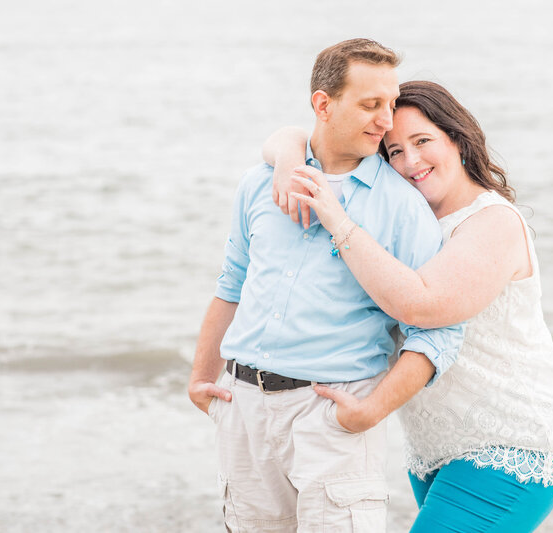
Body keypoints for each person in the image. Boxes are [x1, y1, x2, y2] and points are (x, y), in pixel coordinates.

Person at [264, 80, 553, 532]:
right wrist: (288, 161)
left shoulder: (491, 222)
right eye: (394, 151)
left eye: (422, 142)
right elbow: (291, 136)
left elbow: (422, 305)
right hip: (435, 444)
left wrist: (335, 216)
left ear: (456, 138)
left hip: (514, 440)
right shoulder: (407, 215)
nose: (410, 161)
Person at [188, 41, 465, 532]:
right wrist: (202, 378)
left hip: (331, 416)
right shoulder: (259, 183)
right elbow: (231, 284)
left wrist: (367, 413)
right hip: (242, 411)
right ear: (323, 104)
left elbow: (438, 332)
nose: (386, 121)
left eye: (391, 103)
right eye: (370, 105)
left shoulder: (403, 208)